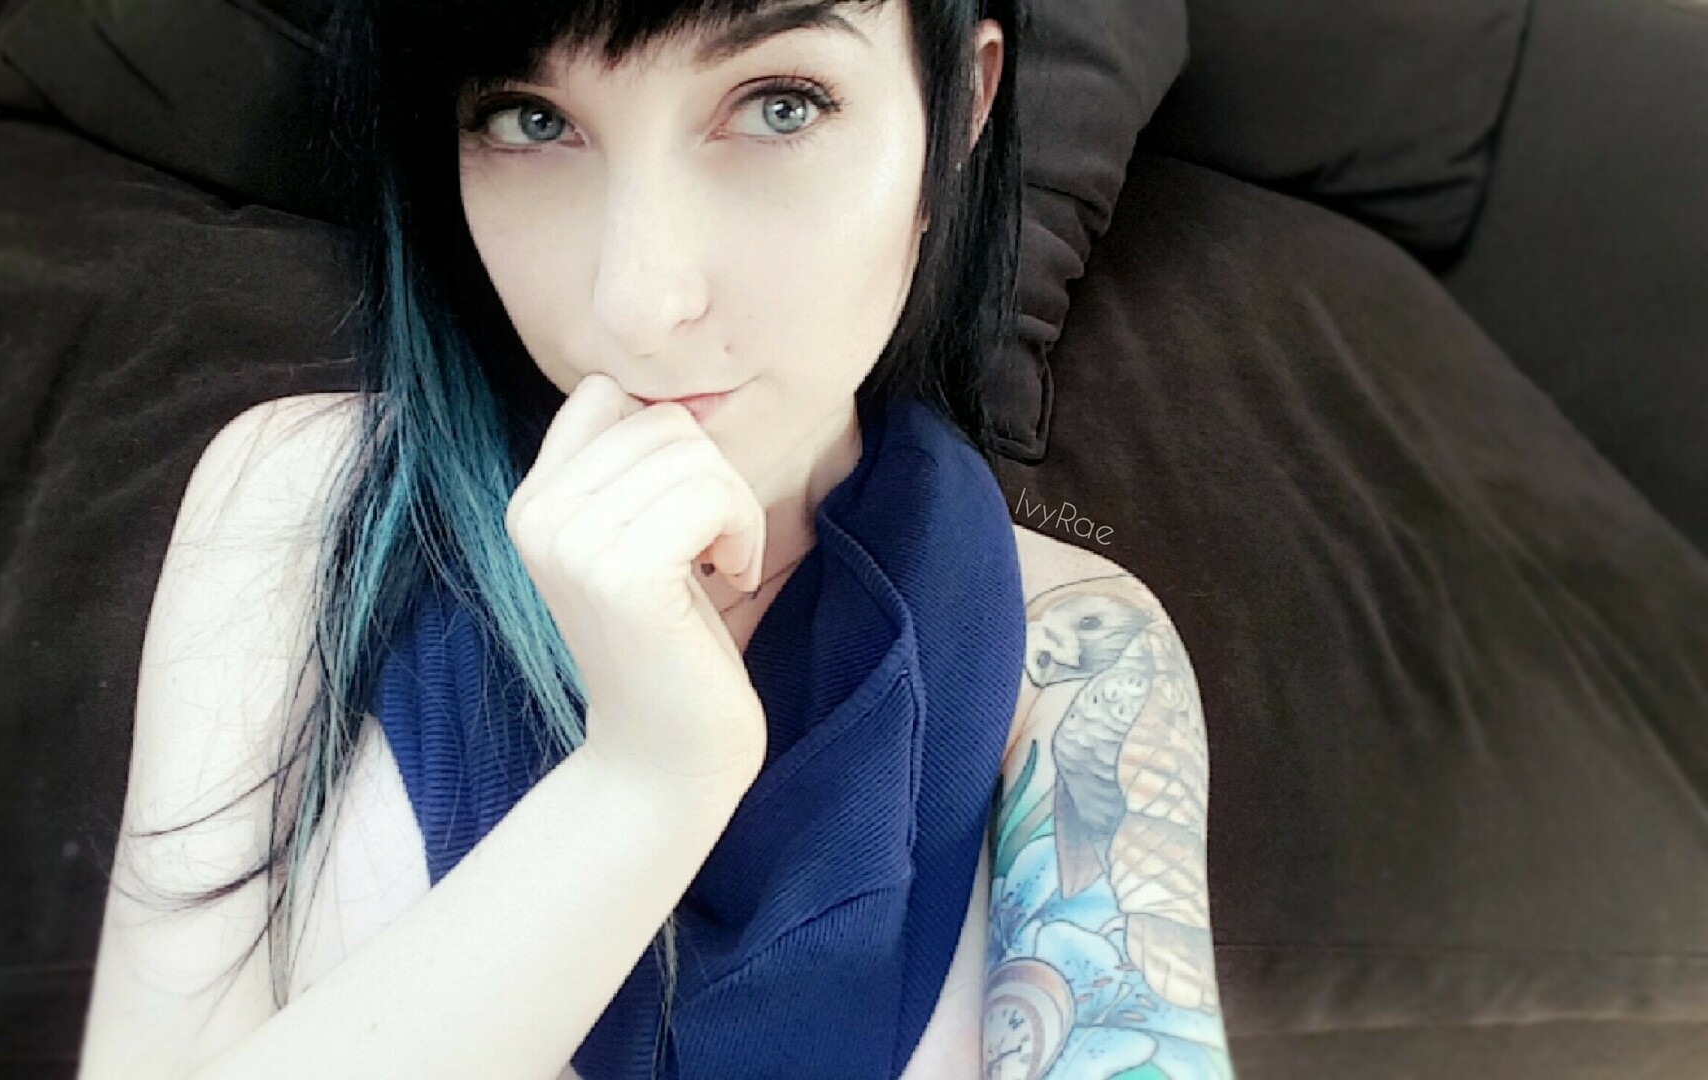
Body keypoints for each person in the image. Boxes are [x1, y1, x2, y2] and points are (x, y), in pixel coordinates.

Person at [77, 1, 1236, 1077]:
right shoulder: (304, 504)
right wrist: (644, 783)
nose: (637, 301)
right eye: (531, 121)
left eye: (779, 105)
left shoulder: (1077, 656)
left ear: (959, 114)